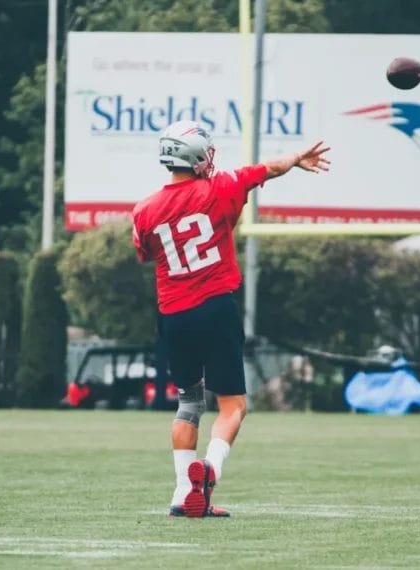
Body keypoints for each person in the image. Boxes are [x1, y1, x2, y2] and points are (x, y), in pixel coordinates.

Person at [132, 120, 330, 518]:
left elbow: (148, 253)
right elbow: (267, 169)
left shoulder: (144, 209)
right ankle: (209, 470)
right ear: (195, 157)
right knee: (233, 405)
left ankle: (181, 494)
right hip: (216, 307)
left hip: (173, 314)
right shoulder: (220, 187)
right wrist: (296, 158)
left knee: (188, 403)